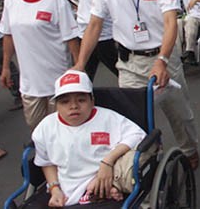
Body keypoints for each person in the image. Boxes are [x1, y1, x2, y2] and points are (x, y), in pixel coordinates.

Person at [73, 0, 199, 169]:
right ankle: (150, 154)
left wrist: (162, 60)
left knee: (179, 113)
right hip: (129, 62)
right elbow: (95, 25)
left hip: (163, 57)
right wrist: (79, 65)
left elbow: (171, 21)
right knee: (132, 116)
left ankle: (189, 149)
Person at [32, 70, 147, 207]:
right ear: (56, 105)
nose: (73, 106)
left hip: (104, 179)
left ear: (92, 101)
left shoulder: (108, 118)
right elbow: (46, 162)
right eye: (65, 102)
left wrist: (108, 161)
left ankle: (104, 190)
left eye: (81, 100)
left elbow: (138, 135)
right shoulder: (45, 127)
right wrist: (54, 189)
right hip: (66, 188)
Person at [0, 0, 80, 131]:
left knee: (62, 130)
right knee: (37, 131)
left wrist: (78, 68)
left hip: (57, 81)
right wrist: (5, 67)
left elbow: (71, 38)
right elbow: (8, 34)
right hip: (29, 84)